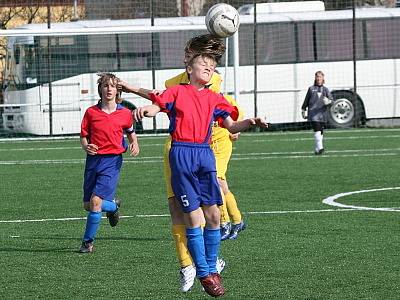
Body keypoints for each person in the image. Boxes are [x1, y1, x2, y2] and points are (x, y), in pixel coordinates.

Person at [129, 53, 268, 297]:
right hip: (182, 154)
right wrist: (146, 110)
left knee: (214, 215)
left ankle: (211, 267)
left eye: (212, 66)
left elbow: (231, 126)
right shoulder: (176, 91)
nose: (209, 68)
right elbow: (157, 105)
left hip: (205, 154)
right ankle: (204, 273)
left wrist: (251, 121)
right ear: (189, 68)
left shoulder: (216, 99)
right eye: (203, 64)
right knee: (193, 218)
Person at [79, 73, 140, 253]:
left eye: (112, 86)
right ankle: (113, 206)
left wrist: (134, 143)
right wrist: (86, 146)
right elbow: (83, 136)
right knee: (88, 205)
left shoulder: (124, 113)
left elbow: (130, 132)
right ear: (100, 89)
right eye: (106, 86)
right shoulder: (91, 112)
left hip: (112, 162)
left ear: (117, 90)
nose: (109, 89)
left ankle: (87, 243)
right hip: (93, 161)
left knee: (96, 202)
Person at [301, 71, 333, 155]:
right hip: (313, 113)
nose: (318, 78)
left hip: (322, 114)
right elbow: (306, 100)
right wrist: (303, 109)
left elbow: (332, 101)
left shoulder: (325, 89)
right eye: (317, 77)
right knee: (317, 130)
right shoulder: (311, 89)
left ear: (323, 78)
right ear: (315, 78)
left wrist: (329, 101)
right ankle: (321, 148)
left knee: (321, 131)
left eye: (320, 77)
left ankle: (316, 149)